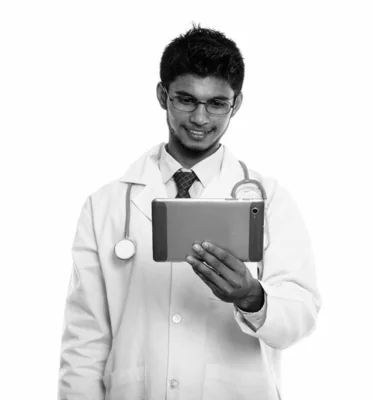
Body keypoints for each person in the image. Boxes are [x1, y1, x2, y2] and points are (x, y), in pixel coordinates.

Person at [58, 24, 321, 400]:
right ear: (163, 95)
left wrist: (253, 297)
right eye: (186, 100)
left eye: (216, 103)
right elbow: (85, 338)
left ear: (237, 104)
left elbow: (301, 315)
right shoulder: (105, 206)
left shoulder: (271, 200)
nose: (200, 118)